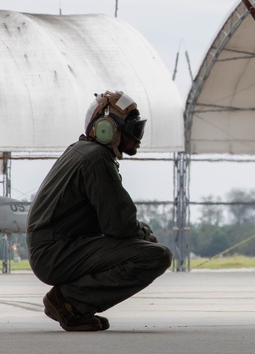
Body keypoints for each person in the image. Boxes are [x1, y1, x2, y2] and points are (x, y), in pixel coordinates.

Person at [27, 90, 172, 331]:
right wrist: (145, 235)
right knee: (156, 256)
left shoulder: (81, 151)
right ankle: (69, 302)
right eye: (133, 129)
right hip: (56, 254)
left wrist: (141, 233)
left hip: (54, 249)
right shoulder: (96, 160)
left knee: (145, 248)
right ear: (107, 128)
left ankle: (73, 304)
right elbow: (119, 225)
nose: (138, 137)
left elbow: (113, 219)